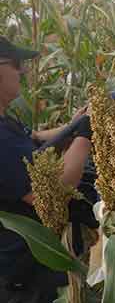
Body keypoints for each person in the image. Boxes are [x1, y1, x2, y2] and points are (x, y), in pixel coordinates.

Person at [0, 36, 94, 303]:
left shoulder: (6, 125)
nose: (24, 71)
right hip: (21, 280)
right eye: (17, 64)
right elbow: (50, 193)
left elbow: (37, 140)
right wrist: (84, 137)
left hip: (27, 267)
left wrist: (73, 126)